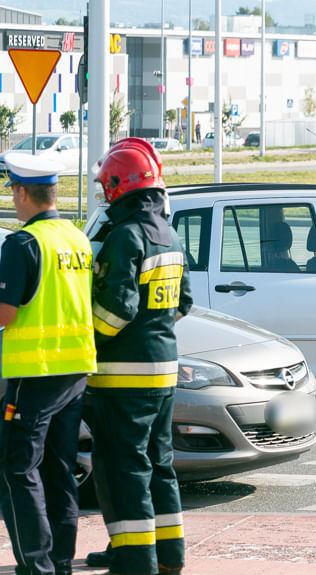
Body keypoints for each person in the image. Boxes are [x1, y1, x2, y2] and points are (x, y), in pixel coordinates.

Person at [87, 138, 193, 575]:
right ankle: (169, 555)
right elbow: (183, 303)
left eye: (106, 185)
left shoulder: (126, 235)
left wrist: (86, 337)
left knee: (121, 467)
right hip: (163, 373)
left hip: (123, 378)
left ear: (119, 186)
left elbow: (117, 310)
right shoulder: (165, 233)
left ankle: (135, 559)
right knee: (159, 465)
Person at [0, 154, 97, 575]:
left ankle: (34, 565)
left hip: (34, 374)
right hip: (74, 371)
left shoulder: (23, 244)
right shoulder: (77, 238)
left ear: (22, 192)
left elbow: (5, 314)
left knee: (17, 468)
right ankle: (59, 562)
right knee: (59, 470)